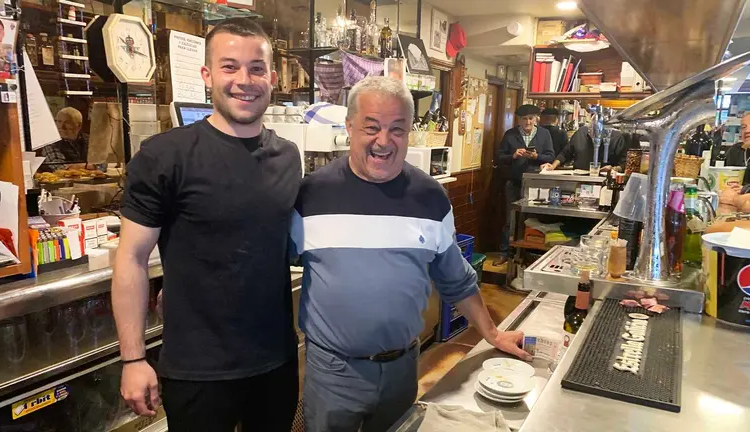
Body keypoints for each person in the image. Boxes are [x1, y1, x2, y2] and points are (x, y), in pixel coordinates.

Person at [290, 77, 531, 432]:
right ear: (349, 127)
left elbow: (456, 279)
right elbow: (267, 268)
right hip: (333, 373)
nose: (383, 141)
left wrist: (493, 334)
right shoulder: (310, 195)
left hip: (402, 369)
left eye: (397, 129)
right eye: (371, 127)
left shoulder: (430, 198)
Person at [112, 18, 301, 432]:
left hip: (275, 361)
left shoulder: (288, 157)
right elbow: (131, 258)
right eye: (229, 66)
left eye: (256, 68)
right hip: (197, 370)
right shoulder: (164, 156)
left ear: (272, 78)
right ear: (207, 75)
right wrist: (133, 358)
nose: (244, 80)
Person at [494, 104, 555, 265]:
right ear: (519, 120)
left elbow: (550, 156)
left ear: (536, 119)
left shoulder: (544, 134)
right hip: (514, 183)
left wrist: (536, 157)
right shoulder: (510, 134)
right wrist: (513, 155)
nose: (527, 122)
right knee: (510, 219)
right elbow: (499, 157)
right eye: (524, 119)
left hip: (537, 185)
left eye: (530, 118)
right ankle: (505, 253)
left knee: (534, 218)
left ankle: (529, 256)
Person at [541, 124, 628, 172]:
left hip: (605, 180)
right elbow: (565, 153)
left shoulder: (616, 138)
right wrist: (552, 166)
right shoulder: (581, 133)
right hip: (580, 177)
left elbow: (625, 163)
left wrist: (614, 169)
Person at [39, 107, 90, 172]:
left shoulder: (90, 141)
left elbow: (101, 165)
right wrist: (88, 166)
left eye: (67, 122)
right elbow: (60, 168)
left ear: (79, 125)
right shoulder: (51, 142)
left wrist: (72, 166)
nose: (61, 126)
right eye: (59, 121)